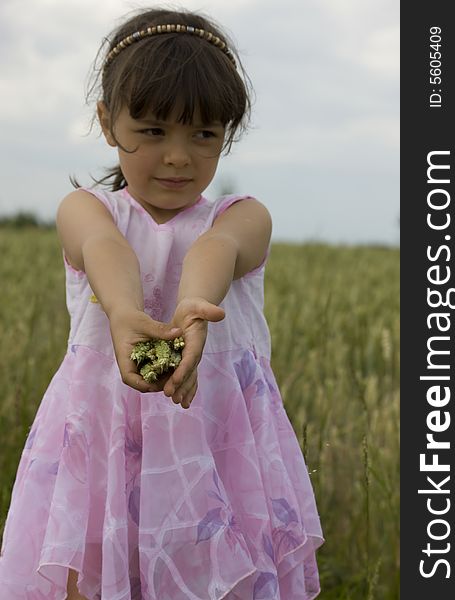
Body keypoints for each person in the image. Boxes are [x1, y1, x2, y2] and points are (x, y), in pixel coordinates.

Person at [0, 7, 324, 599]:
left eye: (204, 134)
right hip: (106, 436)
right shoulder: (88, 210)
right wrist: (123, 311)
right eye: (152, 131)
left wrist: (194, 306)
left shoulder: (243, 217)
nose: (178, 156)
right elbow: (103, 248)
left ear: (227, 132)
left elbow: (216, 249)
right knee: (93, 577)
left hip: (216, 442)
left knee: (222, 576)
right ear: (106, 121)